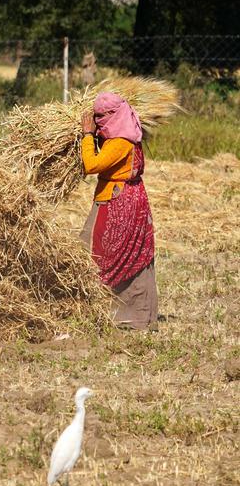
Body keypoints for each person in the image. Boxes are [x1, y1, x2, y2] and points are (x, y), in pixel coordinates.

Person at [79, 92, 158, 331]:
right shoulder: (124, 130)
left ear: (115, 115)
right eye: (96, 116)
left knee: (100, 251)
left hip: (119, 202)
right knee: (96, 248)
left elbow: (91, 165)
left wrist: (86, 135)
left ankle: (127, 315)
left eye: (102, 117)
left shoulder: (121, 140)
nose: (98, 121)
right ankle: (104, 310)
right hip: (120, 197)